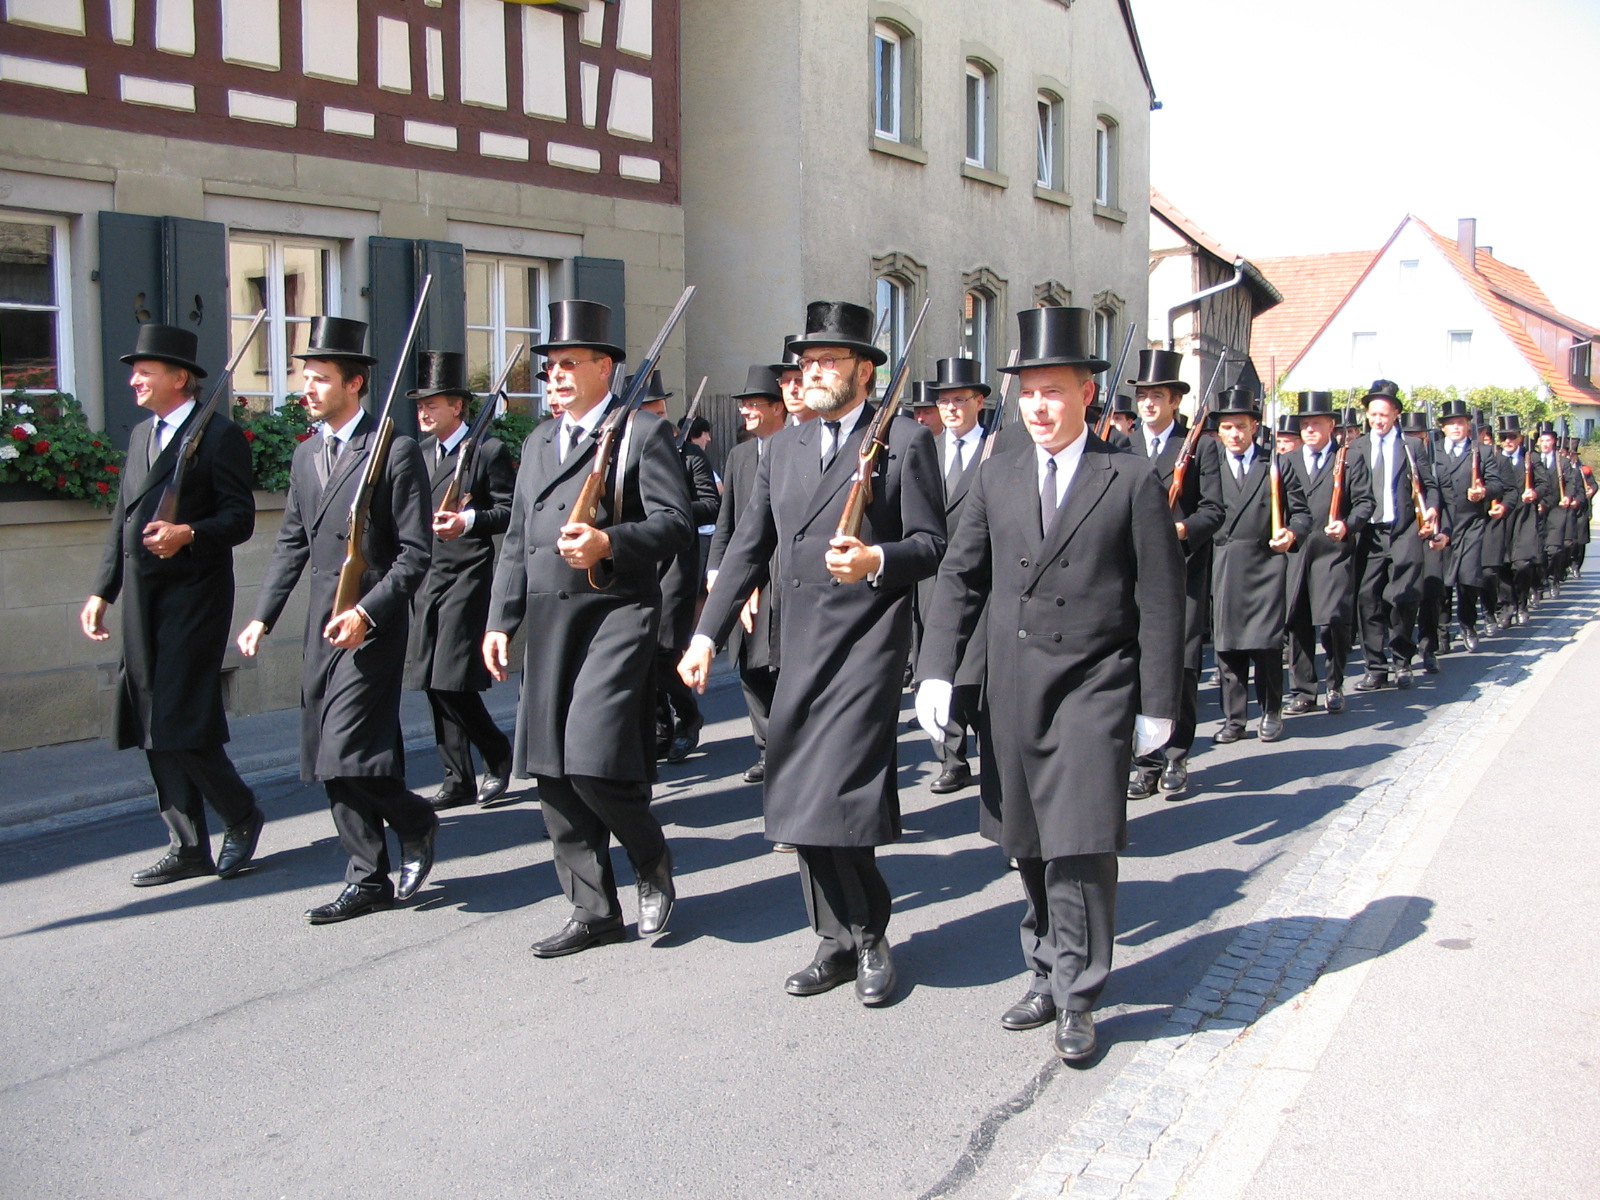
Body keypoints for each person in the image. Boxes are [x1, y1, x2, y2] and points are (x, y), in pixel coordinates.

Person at [915, 305, 1185, 1063]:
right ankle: (1043, 964)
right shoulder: (997, 470)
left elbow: (1161, 598)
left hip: (1094, 688)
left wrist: (1158, 704)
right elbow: (961, 575)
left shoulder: (1128, 478)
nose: (1039, 406)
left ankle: (1079, 991)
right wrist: (937, 670)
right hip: (1013, 687)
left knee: (1081, 844)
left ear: (1086, 396)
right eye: (1029, 391)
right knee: (1026, 843)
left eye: (1054, 391)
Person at [680, 300, 945, 1007]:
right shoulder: (786, 445)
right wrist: (706, 634)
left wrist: (876, 558)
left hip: (865, 646)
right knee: (797, 802)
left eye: (830, 361)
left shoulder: (906, 442)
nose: (815, 371)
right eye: (807, 362)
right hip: (795, 643)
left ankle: (869, 936)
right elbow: (748, 546)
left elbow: (931, 547)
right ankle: (831, 939)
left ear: (864, 370)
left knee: (842, 799)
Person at [484, 300, 691, 956]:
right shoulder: (541, 440)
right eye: (550, 366)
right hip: (549, 619)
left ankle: (651, 861)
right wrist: (501, 619)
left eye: (571, 364)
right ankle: (593, 910)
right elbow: (518, 537)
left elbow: (675, 524)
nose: (556, 376)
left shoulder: (642, 434)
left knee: (594, 760)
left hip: (615, 613)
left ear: (606, 367)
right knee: (550, 769)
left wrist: (608, 540)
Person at [237, 317, 438, 923]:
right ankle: (368, 875)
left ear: (354, 384)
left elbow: (415, 553)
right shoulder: (305, 456)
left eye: (321, 378)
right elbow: (292, 543)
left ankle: (414, 819)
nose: (308, 388)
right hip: (323, 625)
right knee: (324, 750)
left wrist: (369, 612)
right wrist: (262, 617)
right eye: (306, 377)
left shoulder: (394, 450)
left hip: (371, 624)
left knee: (346, 747)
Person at [81, 324, 263, 887]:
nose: (134, 379)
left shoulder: (220, 436)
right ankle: (186, 844)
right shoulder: (142, 435)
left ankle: (240, 814)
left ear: (179, 378)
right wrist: (101, 589)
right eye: (134, 370)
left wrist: (188, 532)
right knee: (146, 718)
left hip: (194, 595)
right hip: (142, 597)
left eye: (146, 370)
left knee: (180, 718)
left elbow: (240, 519)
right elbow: (123, 520)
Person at [403, 351, 516, 809]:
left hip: (468, 575)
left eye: (433, 403)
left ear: (458, 407)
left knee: (453, 678)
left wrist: (467, 519)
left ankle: (497, 753)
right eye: (420, 405)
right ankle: (456, 778)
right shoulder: (418, 453)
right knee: (430, 680)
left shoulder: (488, 449)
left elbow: (508, 511)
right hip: (426, 577)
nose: (424, 412)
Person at [1124, 348, 1223, 800]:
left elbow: (1214, 510)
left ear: (1175, 402)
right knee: (1137, 667)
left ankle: (1178, 755)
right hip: (1132, 575)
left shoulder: (1201, 446)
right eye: (1143, 396)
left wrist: (1184, 528)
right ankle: (1144, 761)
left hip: (1182, 572)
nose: (1148, 404)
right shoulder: (1122, 446)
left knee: (1180, 669)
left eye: (1157, 396)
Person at [1210, 388, 1310, 743]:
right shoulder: (1210, 464)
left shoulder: (1275, 465)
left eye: (1240, 426)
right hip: (1223, 563)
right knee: (1227, 647)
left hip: (1265, 563)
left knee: (1266, 646)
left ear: (1254, 427)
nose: (1233, 435)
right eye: (1226, 428)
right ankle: (1234, 720)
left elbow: (1301, 513)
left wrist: (1291, 533)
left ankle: (1271, 710)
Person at [706, 364, 789, 784]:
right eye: (745, 406)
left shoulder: (795, 447)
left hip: (780, 578)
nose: (747, 413)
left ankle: (784, 750)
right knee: (748, 668)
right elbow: (727, 523)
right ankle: (766, 747)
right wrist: (716, 572)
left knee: (779, 666)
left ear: (779, 408)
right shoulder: (739, 455)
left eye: (756, 404)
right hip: (743, 577)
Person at [636, 369, 719, 763]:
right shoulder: (631, 451)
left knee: (666, 651)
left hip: (676, 564)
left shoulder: (690, 455)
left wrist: (670, 513)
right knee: (641, 653)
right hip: (639, 562)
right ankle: (659, 730)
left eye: (657, 408)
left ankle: (688, 717)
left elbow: (711, 502)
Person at [920, 356, 991, 795]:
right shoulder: (925, 449)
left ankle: (991, 749)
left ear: (979, 402)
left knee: (976, 672)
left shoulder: (998, 449)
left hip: (983, 578)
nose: (950, 409)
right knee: (936, 666)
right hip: (932, 578)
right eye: (943, 401)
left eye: (959, 400)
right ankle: (951, 757)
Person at [1282, 393, 1372, 715]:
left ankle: (1334, 684)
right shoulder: (1287, 461)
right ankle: (1304, 690)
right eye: (1304, 424)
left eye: (1315, 424)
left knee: (1333, 619)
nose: (1309, 430)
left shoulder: (1348, 460)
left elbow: (1365, 502)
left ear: (1331, 426)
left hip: (1333, 550)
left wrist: (1348, 525)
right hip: (1297, 550)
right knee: (1297, 620)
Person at [1349, 380, 1440, 691]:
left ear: (1396, 414)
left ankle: (1402, 661)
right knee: (1367, 599)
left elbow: (1430, 487)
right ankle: (1375, 667)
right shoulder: (1356, 447)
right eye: (1373, 414)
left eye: (1384, 415)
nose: (1378, 420)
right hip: (1369, 535)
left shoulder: (1411, 447)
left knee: (1402, 598)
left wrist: (1431, 511)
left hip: (1403, 531)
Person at [1433, 402, 1503, 652]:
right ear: (1442, 427)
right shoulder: (1433, 451)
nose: (1456, 427)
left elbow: (1498, 484)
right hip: (1442, 524)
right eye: (1451, 423)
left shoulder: (1482, 452)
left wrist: (1483, 491)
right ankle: (1442, 633)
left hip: (1472, 523)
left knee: (1469, 579)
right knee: (1441, 583)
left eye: (1461, 422)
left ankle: (1467, 623)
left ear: (1468, 426)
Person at [1491, 415, 1550, 627]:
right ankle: (1507, 607)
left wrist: (1534, 493)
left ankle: (1522, 602)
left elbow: (1546, 484)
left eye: (1512, 436)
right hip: (1503, 517)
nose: (1508, 441)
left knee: (1523, 565)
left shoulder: (1531, 459)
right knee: (1503, 565)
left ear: (1520, 438)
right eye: (1504, 437)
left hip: (1525, 517)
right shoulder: (1495, 459)